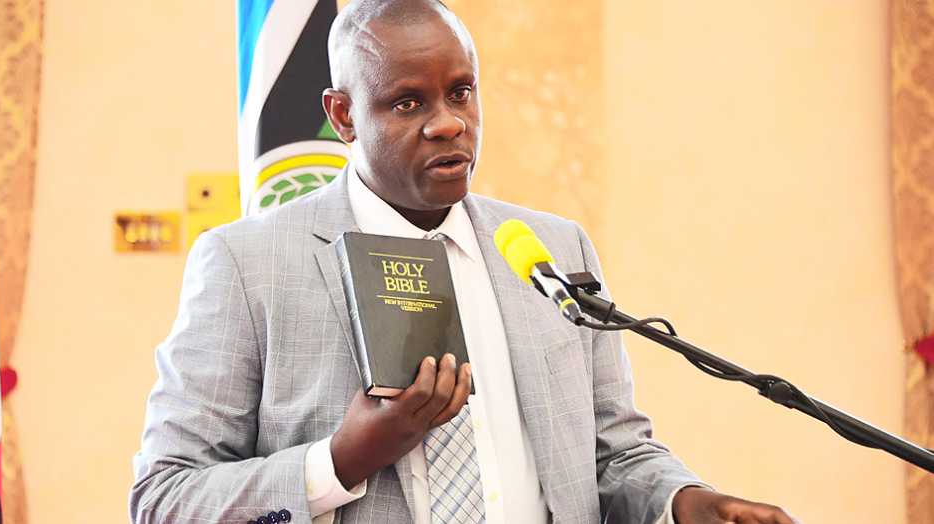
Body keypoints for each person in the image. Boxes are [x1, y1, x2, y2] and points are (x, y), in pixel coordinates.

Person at [130, 1, 800, 523]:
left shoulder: (553, 249)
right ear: (343, 116)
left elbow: (611, 453)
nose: (449, 123)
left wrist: (682, 502)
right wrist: (339, 461)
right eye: (407, 102)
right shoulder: (247, 263)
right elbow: (165, 498)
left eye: (461, 92)